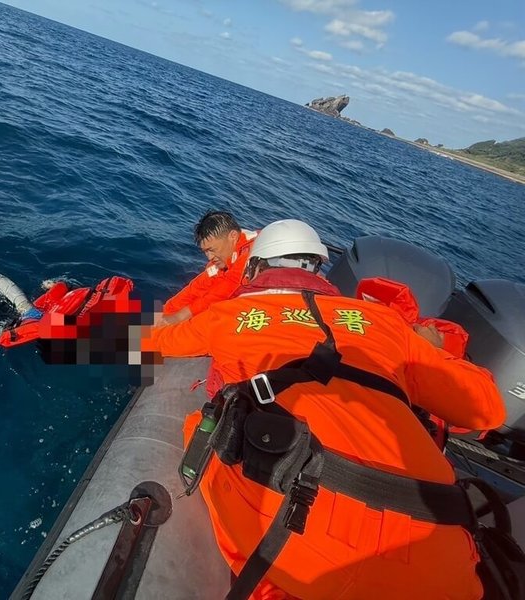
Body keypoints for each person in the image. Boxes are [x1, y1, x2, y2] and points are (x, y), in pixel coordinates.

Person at [143, 219, 506, 600]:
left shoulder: (231, 317)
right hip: (441, 564)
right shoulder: (387, 324)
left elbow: (156, 341)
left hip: (302, 553)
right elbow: (486, 410)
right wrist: (432, 350)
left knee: (202, 428)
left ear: (253, 269)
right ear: (319, 269)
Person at [159, 210, 258, 325]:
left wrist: (179, 317)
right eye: (206, 251)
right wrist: (163, 313)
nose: (209, 257)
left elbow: (224, 291)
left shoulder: (250, 254)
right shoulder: (223, 258)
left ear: (233, 236)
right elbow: (196, 288)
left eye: (212, 250)